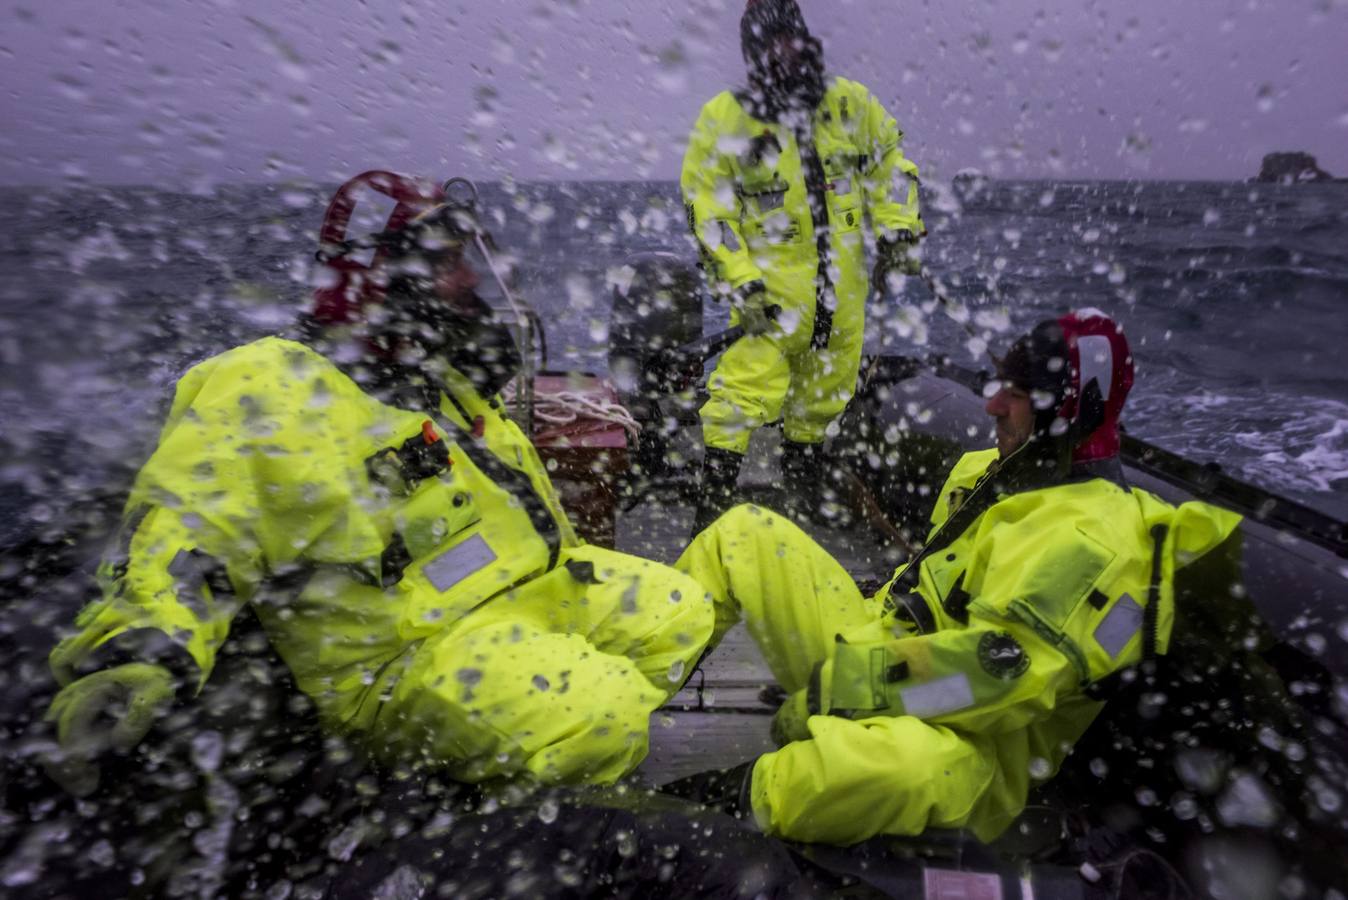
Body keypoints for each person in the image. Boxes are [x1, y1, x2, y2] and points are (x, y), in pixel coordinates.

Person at [41, 173, 717, 798]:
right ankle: (533, 800)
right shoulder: (271, 385)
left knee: (681, 614)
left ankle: (539, 755)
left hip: (524, 596)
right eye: (448, 262)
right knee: (602, 718)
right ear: (380, 274)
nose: (470, 281)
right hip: (407, 658)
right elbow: (183, 529)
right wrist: (138, 654)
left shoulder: (439, 382)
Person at [665, 310, 1243, 845]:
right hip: (877, 657)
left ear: (1071, 414)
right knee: (743, 532)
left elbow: (989, 680)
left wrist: (832, 692)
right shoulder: (987, 473)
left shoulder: (1092, 541)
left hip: (967, 744)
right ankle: (624, 698)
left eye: (1016, 397)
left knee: (886, 771)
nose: (992, 408)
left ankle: (709, 810)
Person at [681, 0, 926, 533]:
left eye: (789, 39)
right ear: (752, 53)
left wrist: (898, 225)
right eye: (769, 44)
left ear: (805, 40)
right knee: (737, 399)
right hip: (767, 304)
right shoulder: (725, 119)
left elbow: (891, 162)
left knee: (821, 401)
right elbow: (710, 212)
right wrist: (741, 284)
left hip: (842, 301)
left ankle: (803, 499)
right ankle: (712, 508)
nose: (783, 53)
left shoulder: (849, 104)